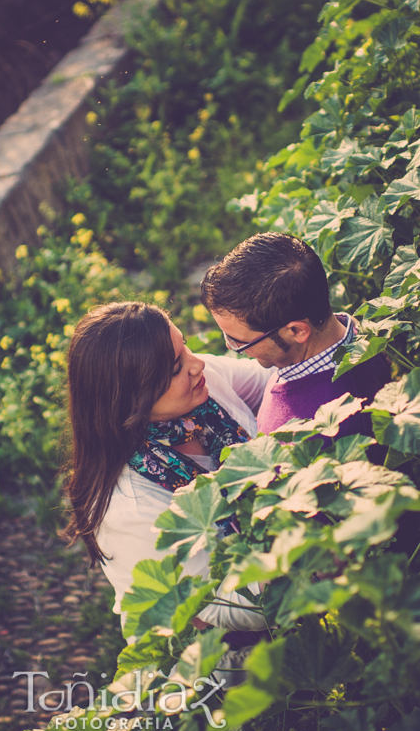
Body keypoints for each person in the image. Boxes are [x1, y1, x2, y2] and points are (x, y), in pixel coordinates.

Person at [65, 300, 270, 641]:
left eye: (184, 345)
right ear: (131, 399)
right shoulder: (128, 506)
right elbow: (238, 604)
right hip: (220, 666)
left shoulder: (202, 386)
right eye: (175, 368)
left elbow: (278, 376)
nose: (197, 362)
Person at [200, 232, 391, 441]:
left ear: (297, 331)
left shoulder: (321, 432)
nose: (231, 346)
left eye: (239, 341)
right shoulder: (360, 335)